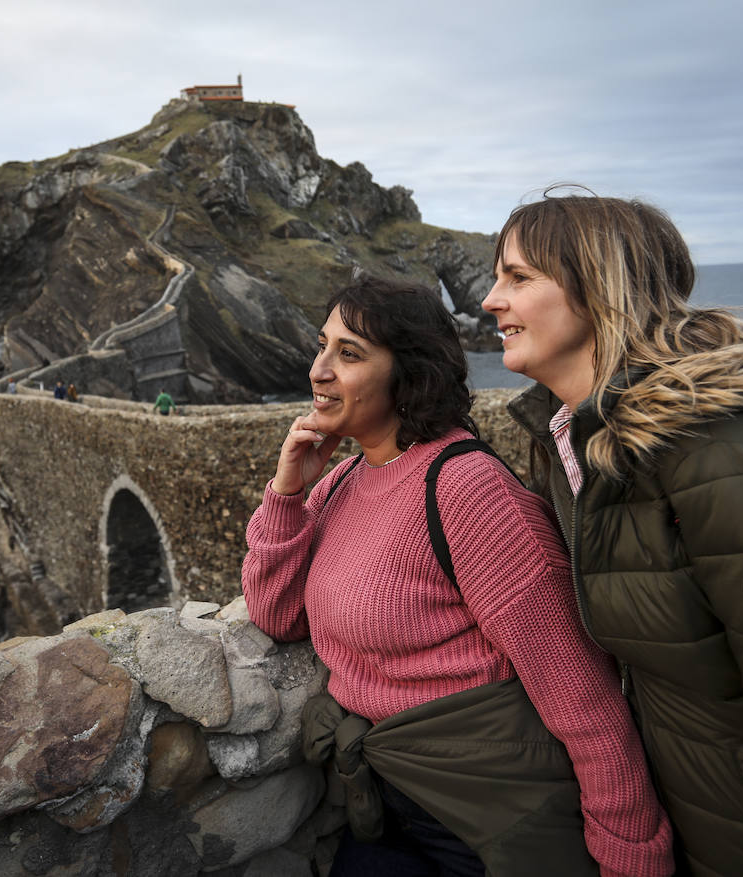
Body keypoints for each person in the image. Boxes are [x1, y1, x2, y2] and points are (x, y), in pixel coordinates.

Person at [482, 190, 743, 875]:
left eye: (518, 277)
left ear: (600, 287)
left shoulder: (728, 454)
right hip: (702, 823)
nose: (491, 300)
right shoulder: (572, 441)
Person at [243, 275, 672, 877]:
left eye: (349, 353)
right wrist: (288, 492)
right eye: (322, 346)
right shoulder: (344, 480)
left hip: (483, 820)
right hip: (383, 801)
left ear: (409, 375)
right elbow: (275, 614)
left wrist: (632, 856)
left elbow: (583, 699)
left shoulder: (466, 490)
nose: (318, 370)